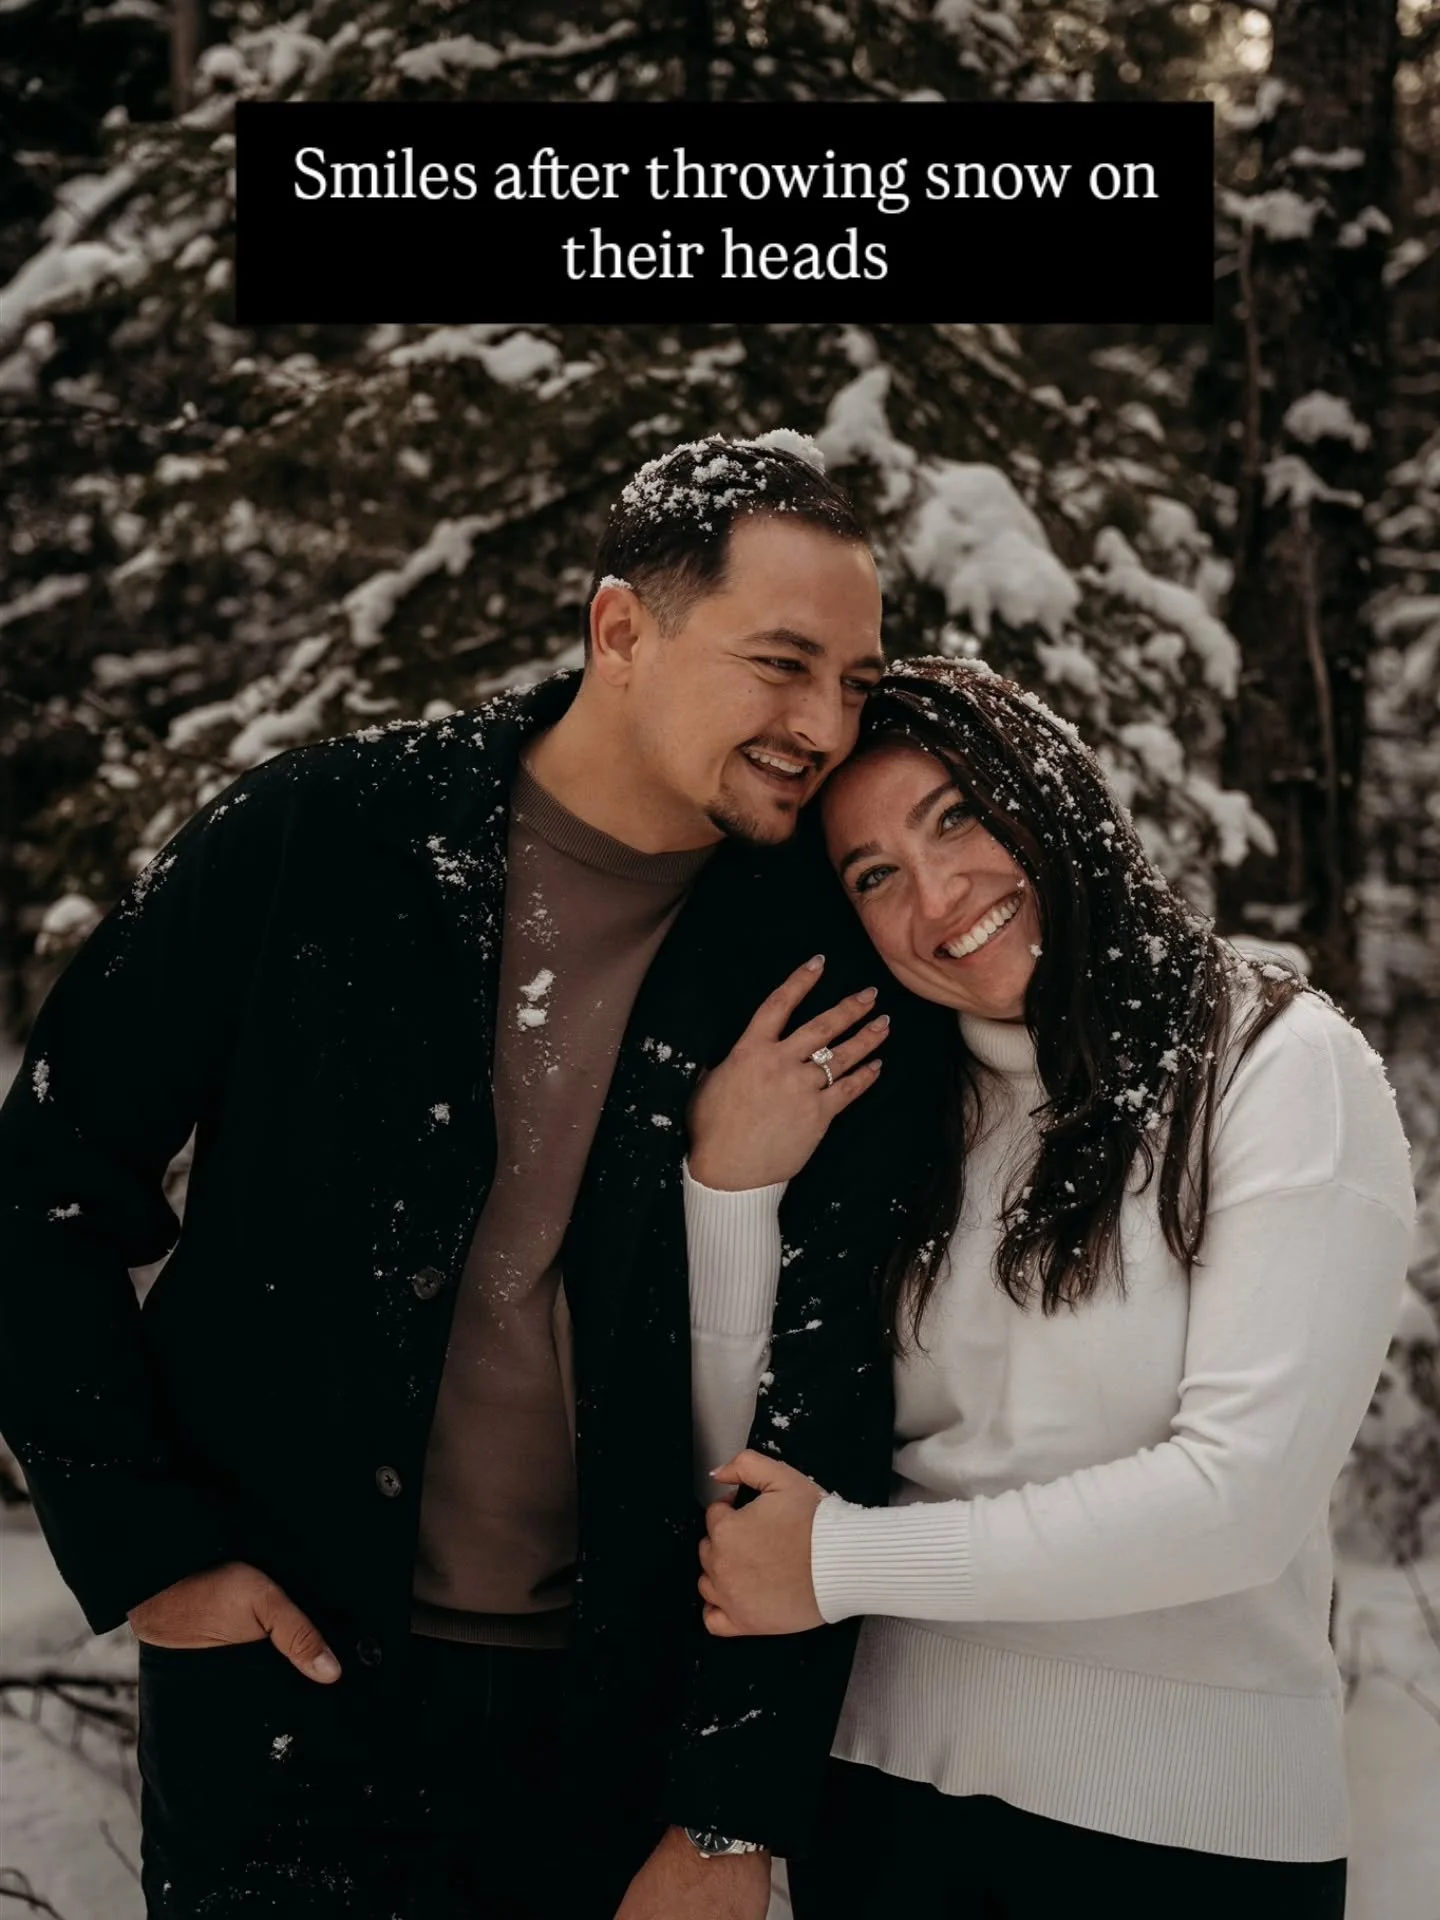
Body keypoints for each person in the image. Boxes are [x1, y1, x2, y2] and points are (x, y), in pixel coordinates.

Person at [0, 439, 954, 1920]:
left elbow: (824, 1401)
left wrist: (731, 1811)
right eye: (782, 662)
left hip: (616, 1739)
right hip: (287, 1708)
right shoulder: (323, 839)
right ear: (620, 629)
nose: (826, 722)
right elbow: (43, 1184)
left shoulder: (816, 962)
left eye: (855, 678)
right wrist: (153, 1554)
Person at [680, 656, 1415, 1920]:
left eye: (958, 814)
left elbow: (1236, 1499)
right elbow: (743, 1491)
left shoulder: (1275, 1064)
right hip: (881, 1812)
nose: (939, 892)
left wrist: (848, 1559)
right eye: (875, 877)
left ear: (1049, 787)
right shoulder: (902, 1111)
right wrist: (730, 1189)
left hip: (1186, 1841)